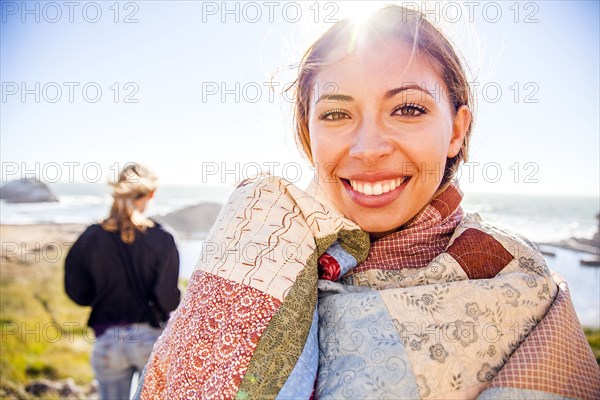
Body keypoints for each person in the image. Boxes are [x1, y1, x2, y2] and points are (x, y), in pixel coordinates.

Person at [137, 6, 600, 399]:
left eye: (408, 109)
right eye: (337, 114)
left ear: (456, 130)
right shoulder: (254, 251)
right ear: (308, 134)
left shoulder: (520, 284)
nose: (368, 148)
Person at [65, 163, 180, 400]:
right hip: (151, 341)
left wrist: (99, 296)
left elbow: (77, 291)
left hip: (108, 341)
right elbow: (168, 299)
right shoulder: (162, 238)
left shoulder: (91, 236)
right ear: (151, 194)